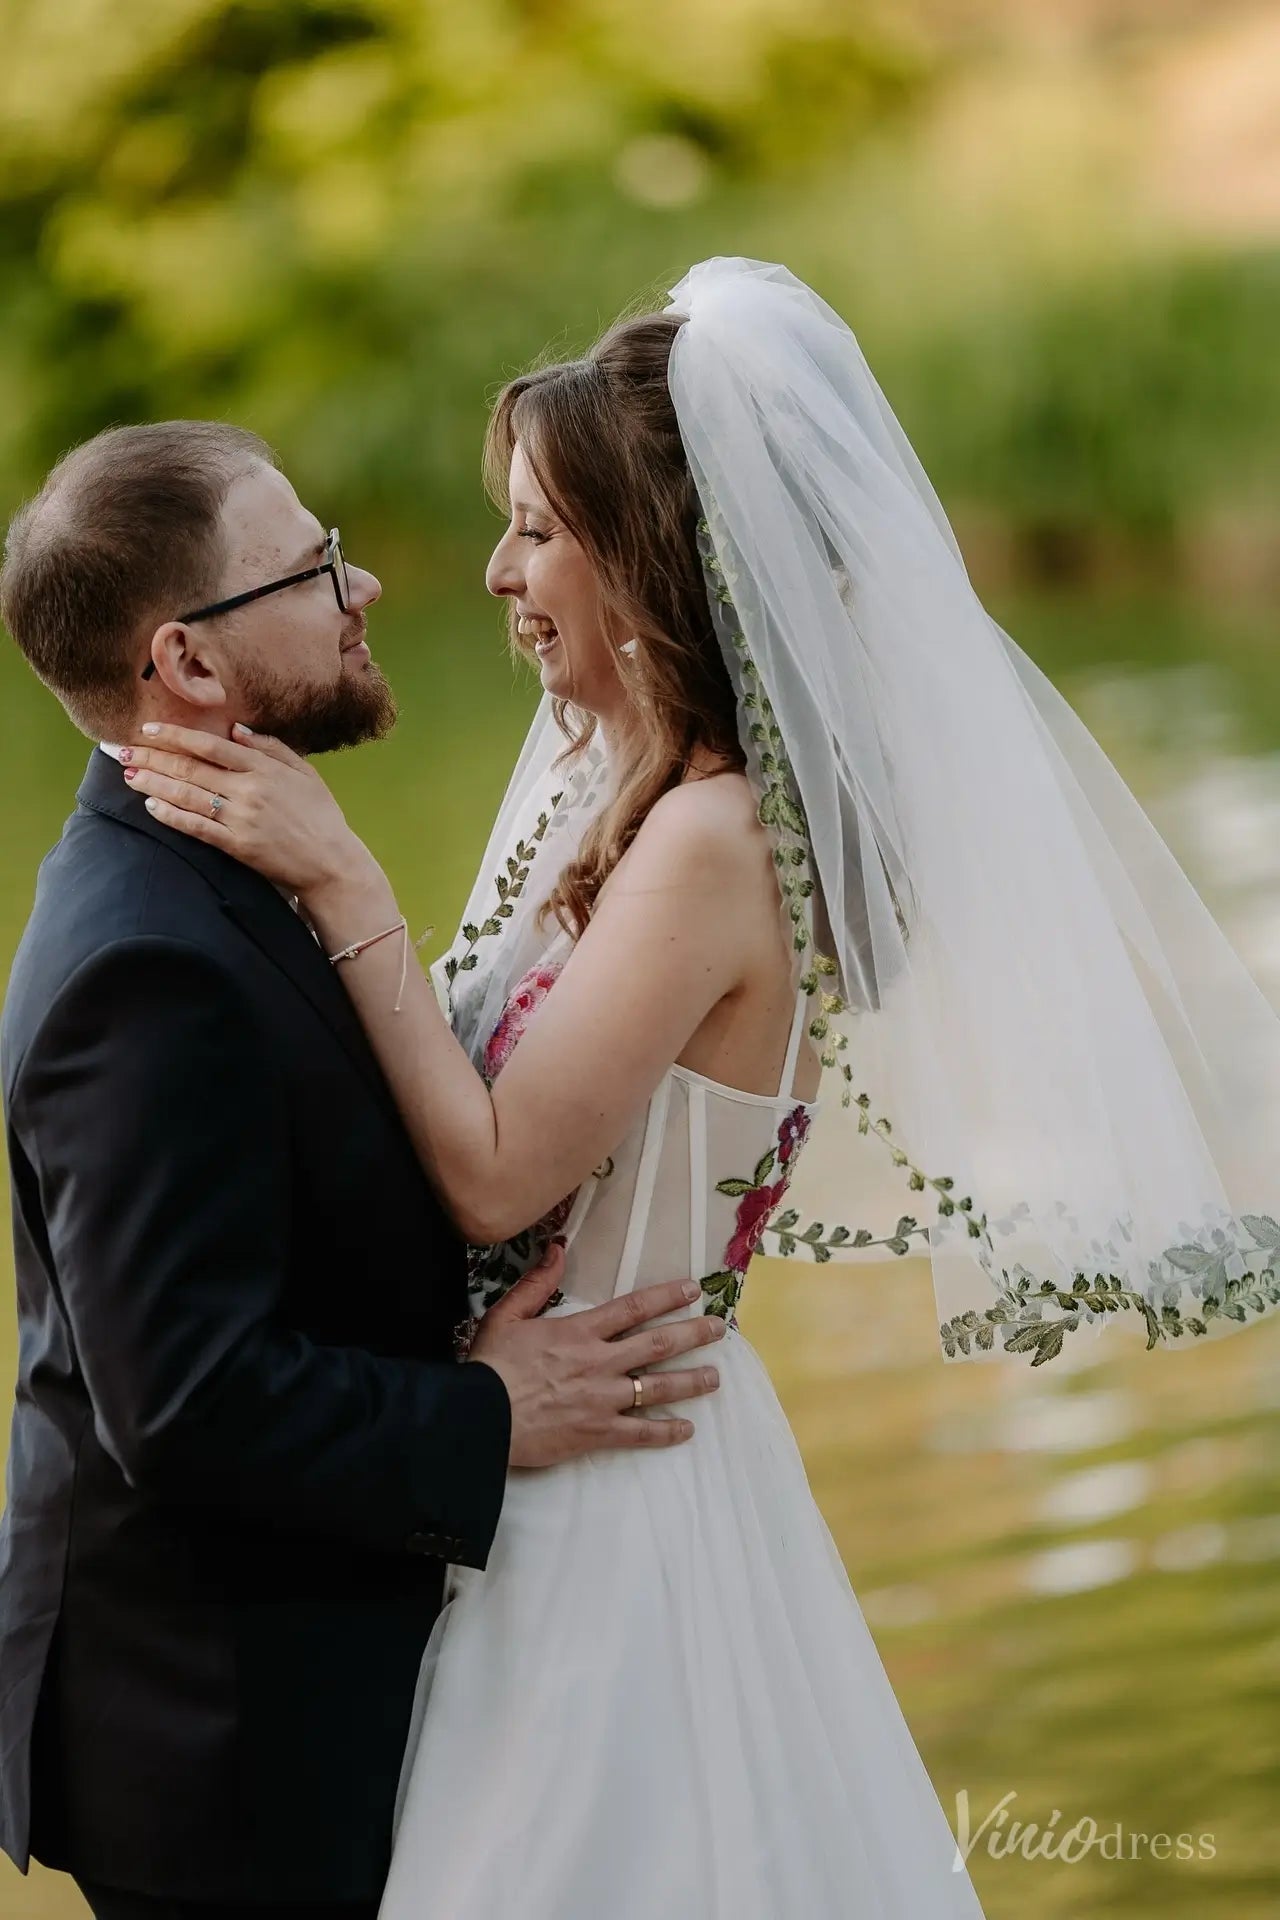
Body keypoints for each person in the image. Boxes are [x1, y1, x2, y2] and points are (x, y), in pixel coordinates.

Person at [112, 259, 1280, 1913]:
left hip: (614, 1498)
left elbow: (504, 1173)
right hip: (555, 1448)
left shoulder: (716, 842)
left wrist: (345, 886)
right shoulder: (630, 796)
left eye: (536, 531)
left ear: (647, 565)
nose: (500, 572)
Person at [0, 421, 725, 1920]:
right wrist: (488, 1412)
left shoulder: (235, 856)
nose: (371, 583)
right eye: (315, 567)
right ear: (188, 667)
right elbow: (184, 1399)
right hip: (222, 1731)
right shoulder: (140, 960)